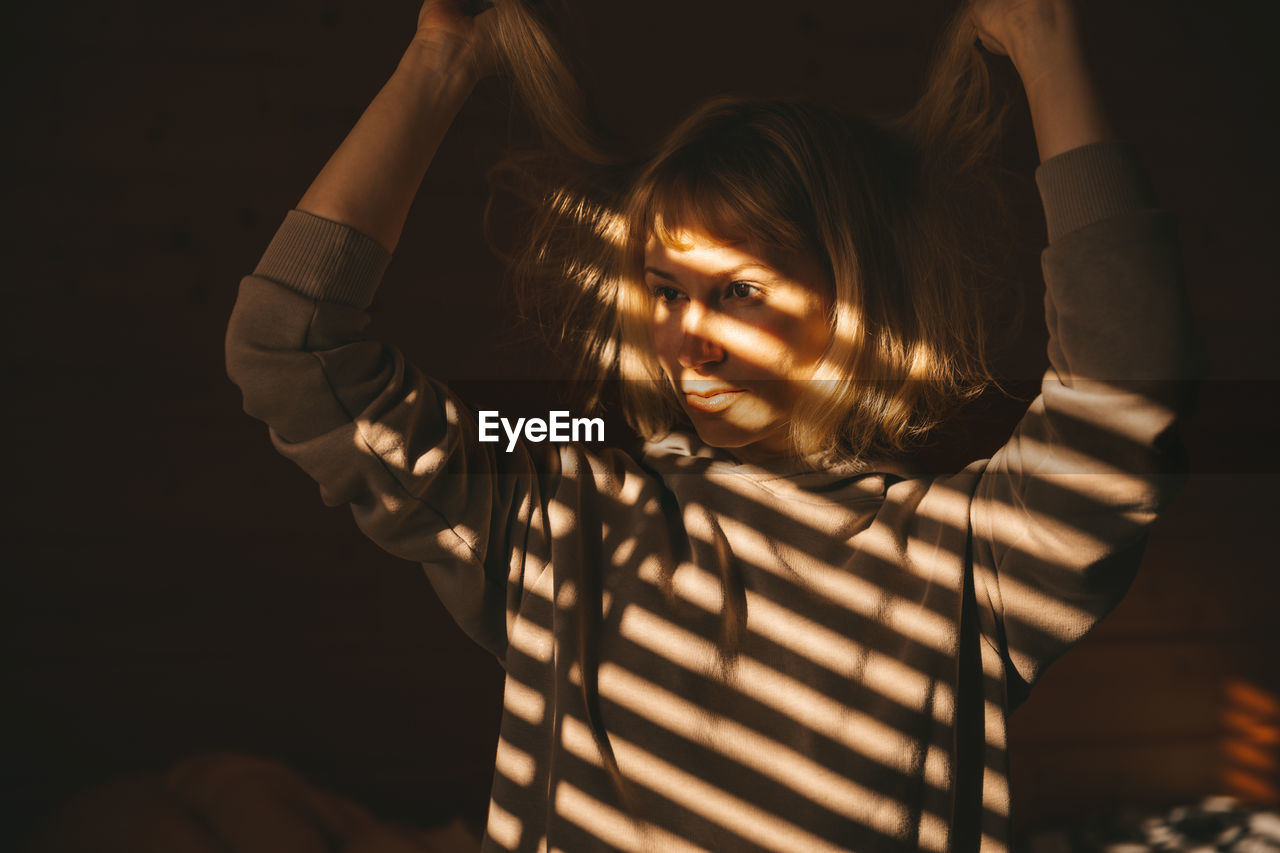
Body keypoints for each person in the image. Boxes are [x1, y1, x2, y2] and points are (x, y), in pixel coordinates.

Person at [225, 0, 1200, 849]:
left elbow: (1120, 395)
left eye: (736, 291)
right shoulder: (561, 502)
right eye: (662, 290)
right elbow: (291, 349)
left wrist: (1045, 41)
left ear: (851, 300)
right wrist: (437, 65)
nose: (684, 340)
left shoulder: (963, 560)